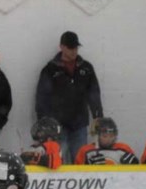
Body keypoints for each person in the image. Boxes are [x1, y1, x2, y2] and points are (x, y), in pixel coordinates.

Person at [36, 31, 103, 164]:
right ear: (62, 47)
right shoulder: (50, 70)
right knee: (57, 160)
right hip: (57, 125)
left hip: (79, 124)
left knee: (80, 159)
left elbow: (94, 93)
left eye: (76, 48)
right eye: (70, 48)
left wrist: (98, 116)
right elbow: (42, 97)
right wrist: (43, 122)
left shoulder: (86, 68)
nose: (74, 51)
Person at [75, 117, 139, 165]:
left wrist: (134, 163)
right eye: (105, 136)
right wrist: (88, 166)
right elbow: (76, 174)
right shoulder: (85, 151)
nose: (108, 139)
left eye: (111, 136)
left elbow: (137, 174)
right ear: (97, 136)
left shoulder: (124, 148)